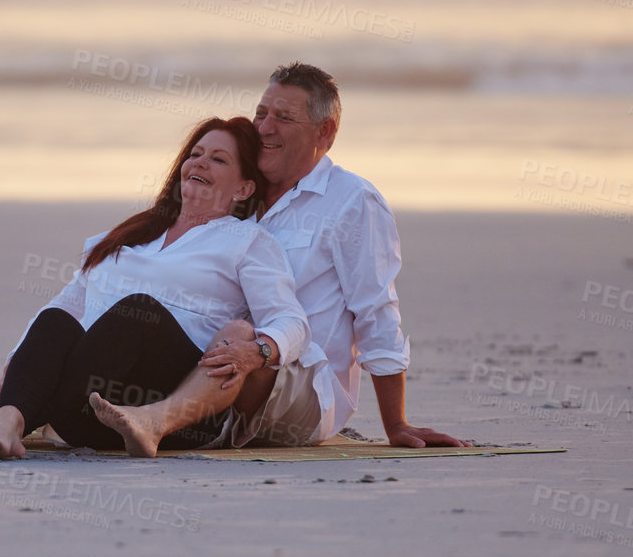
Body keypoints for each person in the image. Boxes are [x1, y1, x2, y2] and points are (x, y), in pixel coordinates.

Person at [0, 117, 309, 460]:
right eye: (195, 153)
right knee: (57, 320)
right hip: (83, 415)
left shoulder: (249, 242)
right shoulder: (125, 238)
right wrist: (13, 371)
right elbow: (65, 307)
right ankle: (3, 420)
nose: (199, 163)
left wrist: (262, 351)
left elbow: (290, 320)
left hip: (169, 402)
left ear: (244, 187)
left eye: (218, 159)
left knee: (136, 312)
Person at [90, 63, 468, 456]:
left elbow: (376, 310)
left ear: (325, 132)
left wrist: (396, 423)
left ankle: (158, 421)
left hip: (300, 382)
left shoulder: (352, 201)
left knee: (241, 333)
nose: (264, 128)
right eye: (261, 113)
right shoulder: (237, 192)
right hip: (212, 365)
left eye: (284, 118)